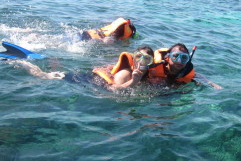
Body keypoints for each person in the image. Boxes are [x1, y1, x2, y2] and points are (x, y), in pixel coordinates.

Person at [13, 46, 154, 91]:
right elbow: (113, 89)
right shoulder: (126, 73)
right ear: (133, 58)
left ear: (150, 62)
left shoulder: (146, 75)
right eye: (138, 57)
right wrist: (134, 82)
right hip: (84, 79)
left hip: (89, 80)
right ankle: (22, 62)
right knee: (43, 75)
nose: (142, 61)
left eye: (147, 59)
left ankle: (49, 60)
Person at [148, 43, 223, 89]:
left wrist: (212, 84)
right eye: (175, 56)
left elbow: (197, 76)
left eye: (184, 58)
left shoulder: (187, 70)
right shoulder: (155, 65)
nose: (179, 61)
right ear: (167, 57)